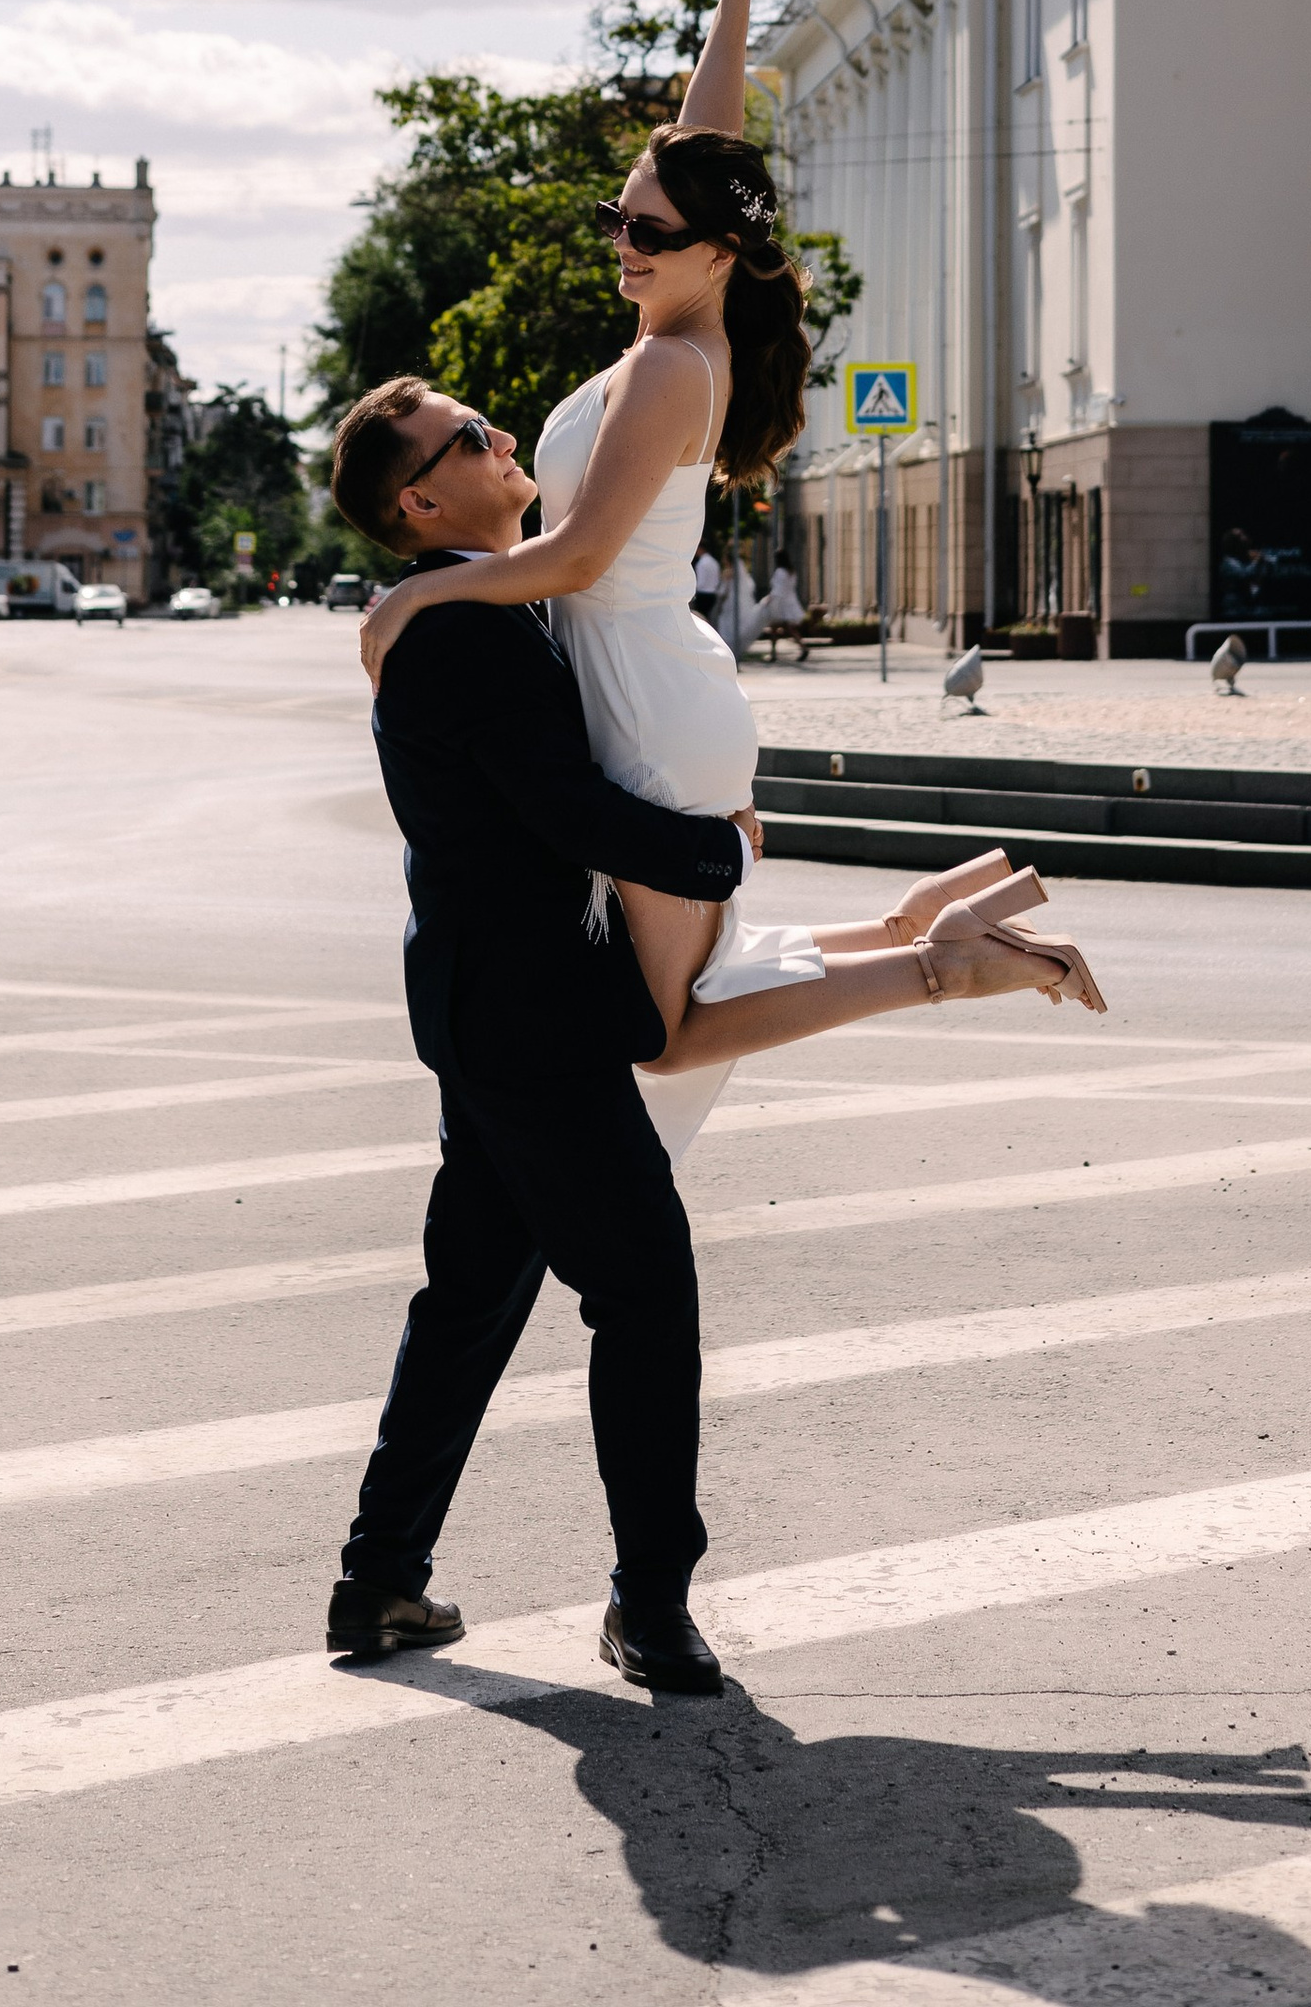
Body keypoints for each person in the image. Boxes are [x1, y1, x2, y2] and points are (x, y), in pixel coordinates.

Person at [324, 378, 1098, 1699]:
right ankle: (648, 1604)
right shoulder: (460, 635)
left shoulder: (480, 605)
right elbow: (570, 811)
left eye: (486, 424)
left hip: (499, 1015)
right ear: (419, 501)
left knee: (471, 1302)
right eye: (466, 440)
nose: (497, 438)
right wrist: (720, 852)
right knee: (641, 1293)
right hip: (531, 1026)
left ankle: (382, 1577)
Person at [359, 0, 1100, 1157]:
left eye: (645, 230)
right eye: (619, 218)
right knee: (684, 995)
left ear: (712, 253)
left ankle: (942, 962)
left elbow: (578, 556)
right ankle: (923, 925)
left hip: (644, 702)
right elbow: (705, 150)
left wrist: (416, 592)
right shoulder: (683, 331)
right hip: (653, 687)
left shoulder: (666, 365)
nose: (623, 241)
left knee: (667, 1028)